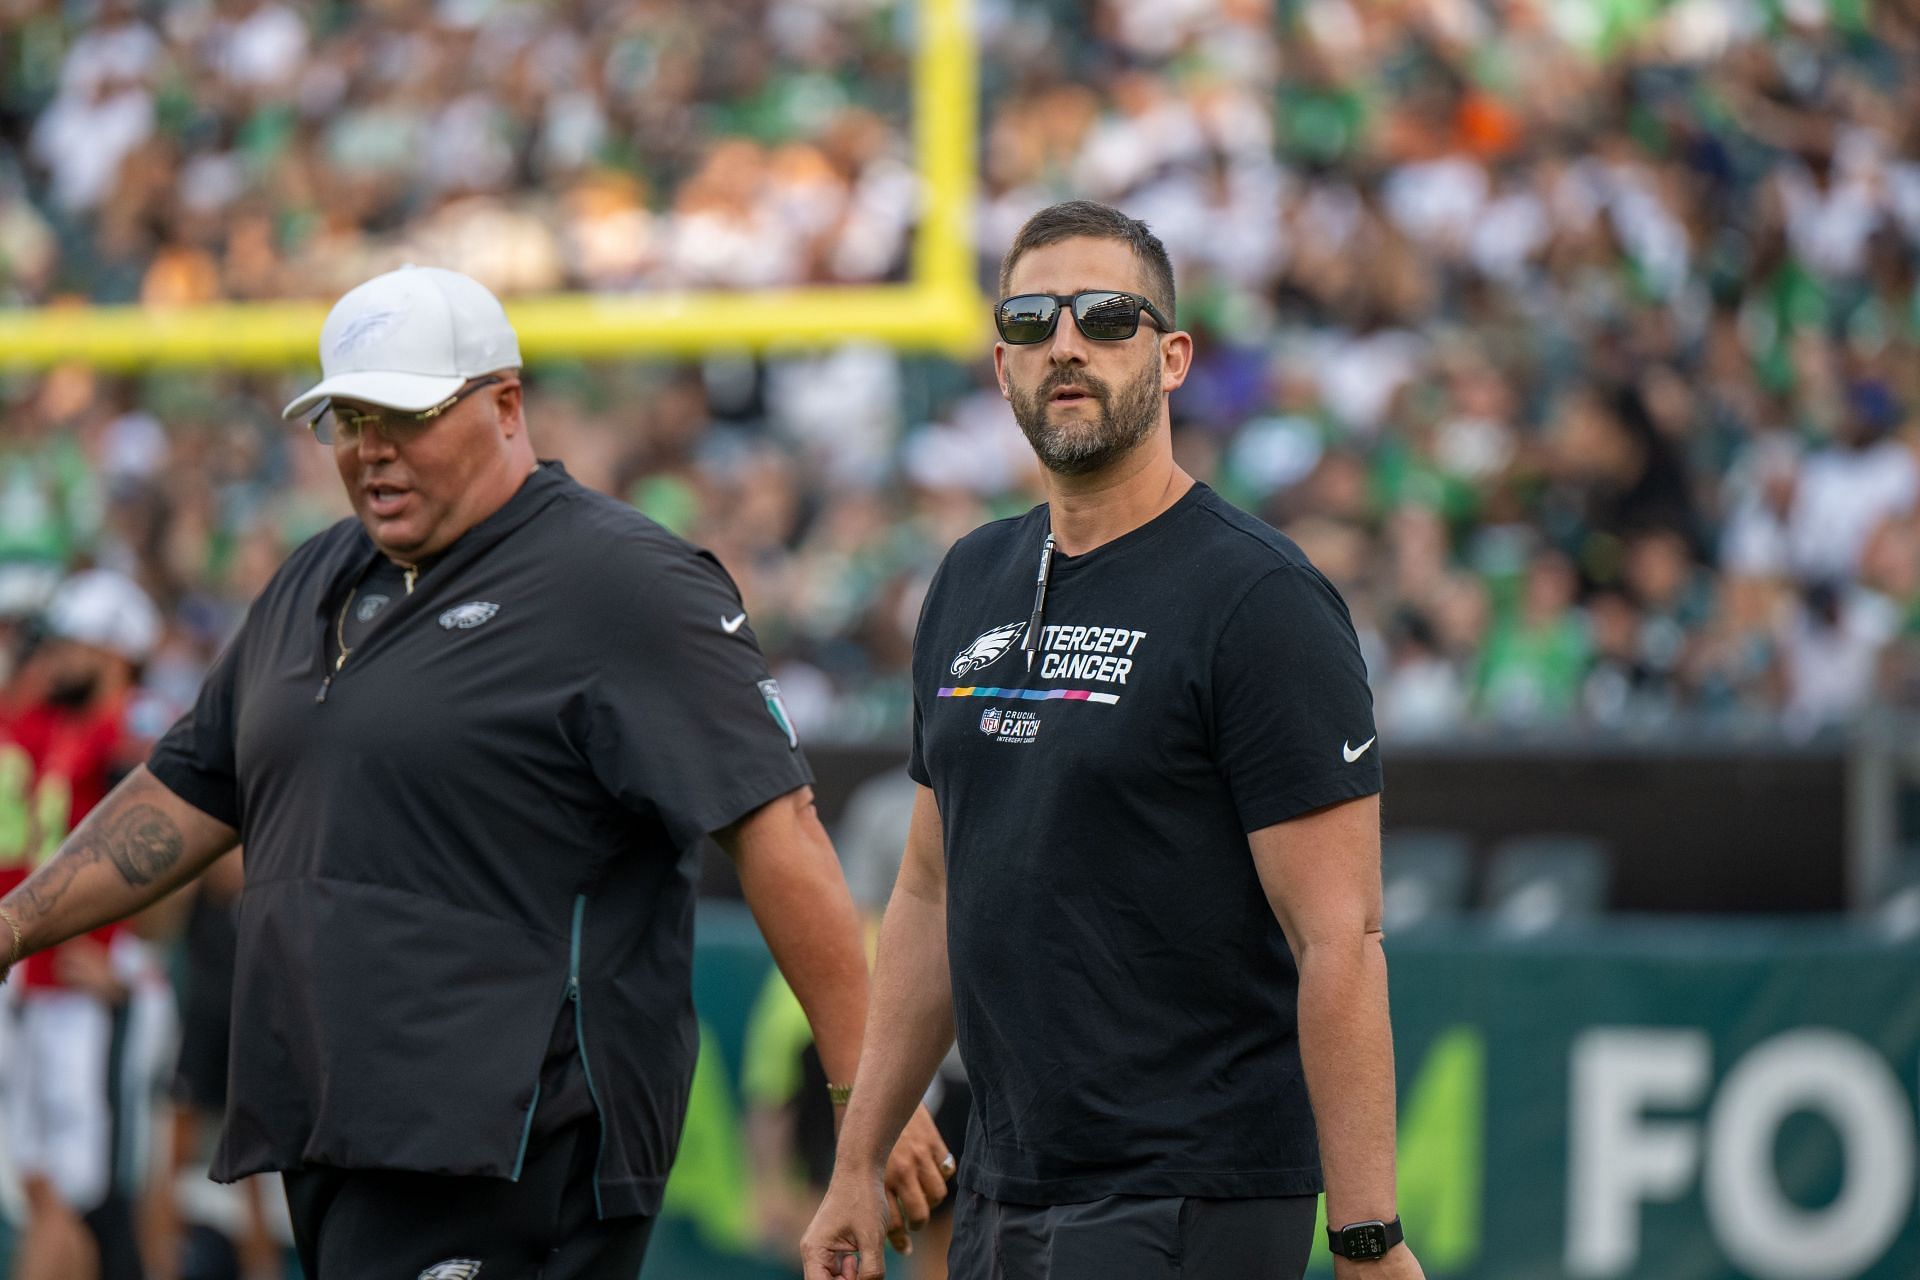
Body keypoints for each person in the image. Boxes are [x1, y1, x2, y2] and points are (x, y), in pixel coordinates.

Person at [0, 264, 951, 1278]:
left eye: (404, 416)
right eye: (349, 419)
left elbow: (778, 828)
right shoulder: (311, 578)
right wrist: (15, 924)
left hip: (518, 1144)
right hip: (343, 1129)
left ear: (506, 404)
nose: (372, 449)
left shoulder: (619, 580)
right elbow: (192, 784)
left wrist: (866, 1104)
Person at [802, 201, 1427, 1280]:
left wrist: (1367, 1237)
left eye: (1106, 316)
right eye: (1033, 319)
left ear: (1173, 355)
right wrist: (858, 1158)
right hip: (1005, 1187)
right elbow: (930, 891)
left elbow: (1342, 940)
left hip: (1193, 1190)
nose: (1067, 345)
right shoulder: (965, 578)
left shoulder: (1259, 598)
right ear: (1001, 364)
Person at [0, 568, 172, 1280]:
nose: (53, 658)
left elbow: (173, 861)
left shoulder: (136, 727)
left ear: (112, 652)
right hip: (47, 985)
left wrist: (131, 959)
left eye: (71, 643)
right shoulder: (69, 726)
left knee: (103, 1191)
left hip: (97, 989)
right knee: (49, 1188)